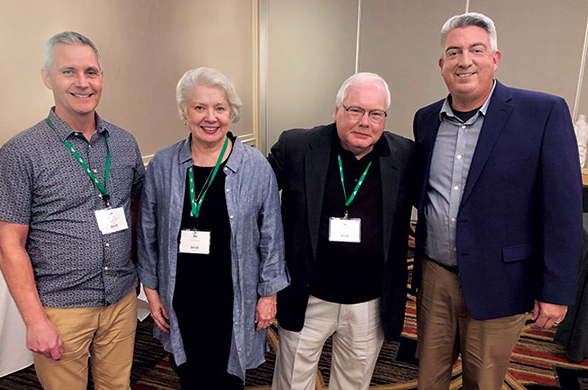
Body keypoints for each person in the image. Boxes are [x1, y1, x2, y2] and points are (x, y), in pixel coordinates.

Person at [413, 12, 583, 389]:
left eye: (476, 50)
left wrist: (554, 291)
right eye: (454, 53)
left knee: (484, 382)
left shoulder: (542, 113)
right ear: (442, 65)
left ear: (495, 58)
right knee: (429, 378)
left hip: (501, 280)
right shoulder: (426, 120)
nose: (465, 60)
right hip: (436, 277)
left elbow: (563, 212)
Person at [0, 32, 144, 389]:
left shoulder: (123, 143)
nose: (83, 83)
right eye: (68, 72)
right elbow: (8, 244)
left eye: (91, 72)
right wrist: (35, 321)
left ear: (102, 77)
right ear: (47, 78)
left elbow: (138, 205)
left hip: (120, 299)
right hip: (61, 308)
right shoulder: (21, 152)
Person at [136, 67, 289, 389]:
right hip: (181, 293)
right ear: (184, 112)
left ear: (231, 112)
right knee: (188, 371)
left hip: (235, 295)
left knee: (228, 375)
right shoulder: (163, 165)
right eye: (199, 107)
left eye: (220, 108)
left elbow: (272, 236)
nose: (210, 117)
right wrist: (151, 292)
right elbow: (147, 231)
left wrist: (269, 296)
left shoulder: (255, 166)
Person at [269, 72, 417, 390]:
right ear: (337, 111)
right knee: (292, 380)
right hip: (309, 292)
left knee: (353, 382)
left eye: (376, 113)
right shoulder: (297, 147)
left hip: (369, 301)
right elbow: (254, 196)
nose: (365, 121)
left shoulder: (405, 156)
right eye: (356, 110)